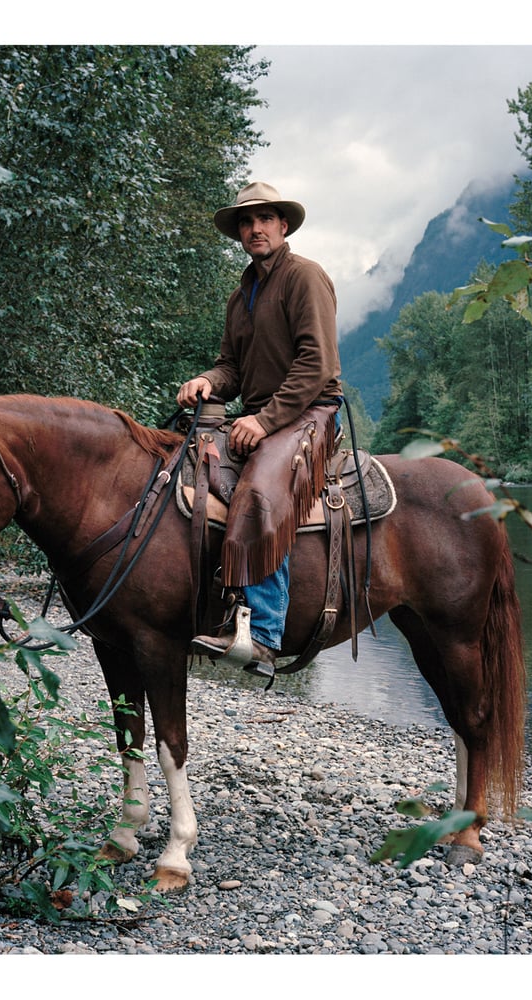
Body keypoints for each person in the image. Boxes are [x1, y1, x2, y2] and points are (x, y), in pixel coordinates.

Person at [177, 182, 343, 679]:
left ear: (283, 226)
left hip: (310, 412)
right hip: (259, 416)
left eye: (265, 219)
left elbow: (317, 364)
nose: (255, 229)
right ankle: (213, 606)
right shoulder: (241, 295)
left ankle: (265, 634)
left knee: (260, 489)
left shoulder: (304, 277)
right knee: (186, 471)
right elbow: (231, 366)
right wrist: (208, 380)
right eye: (246, 223)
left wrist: (265, 419)